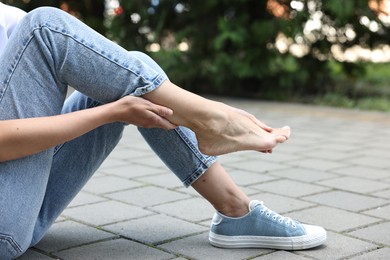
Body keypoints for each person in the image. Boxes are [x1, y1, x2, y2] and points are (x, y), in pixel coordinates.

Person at [0, 3, 326, 259]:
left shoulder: (7, 19)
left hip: (19, 205)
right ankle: (211, 119)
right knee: (43, 26)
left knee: (134, 69)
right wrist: (108, 114)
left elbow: (104, 67)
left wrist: (119, 106)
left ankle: (235, 211)